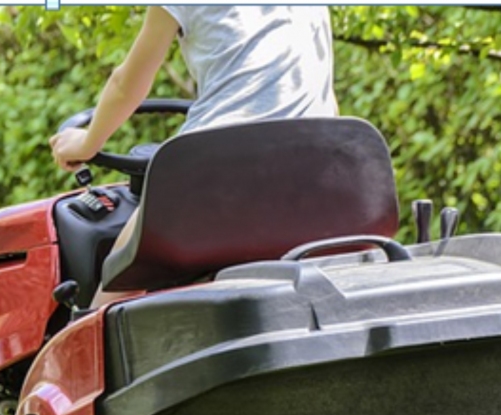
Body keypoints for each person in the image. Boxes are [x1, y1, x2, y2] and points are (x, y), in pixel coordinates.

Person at [50, 5, 339, 307]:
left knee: (119, 274)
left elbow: (126, 84)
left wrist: (86, 144)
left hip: (217, 171)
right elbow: (326, 100)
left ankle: (90, 338)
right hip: (315, 177)